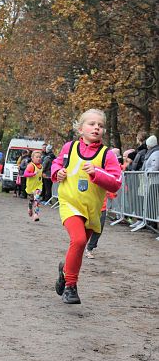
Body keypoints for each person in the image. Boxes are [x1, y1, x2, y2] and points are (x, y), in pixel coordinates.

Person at [51, 108, 122, 304]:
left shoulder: (107, 155)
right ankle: (70, 287)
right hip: (70, 203)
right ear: (80, 129)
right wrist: (58, 172)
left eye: (100, 125)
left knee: (78, 247)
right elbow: (56, 164)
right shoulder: (69, 147)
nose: (97, 128)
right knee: (79, 240)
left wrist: (96, 172)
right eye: (92, 124)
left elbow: (116, 181)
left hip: (92, 209)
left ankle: (65, 271)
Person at [24, 150, 43, 222]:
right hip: (30, 187)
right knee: (32, 199)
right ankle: (29, 208)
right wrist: (33, 174)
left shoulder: (41, 166)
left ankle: (36, 214)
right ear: (32, 158)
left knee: (37, 199)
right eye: (37, 157)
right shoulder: (31, 166)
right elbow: (25, 174)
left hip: (38, 186)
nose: (39, 158)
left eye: (40, 157)